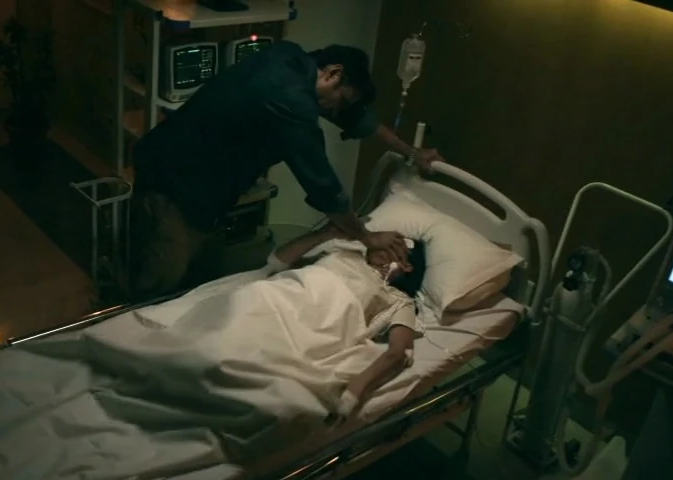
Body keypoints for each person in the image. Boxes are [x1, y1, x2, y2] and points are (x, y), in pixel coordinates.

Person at [129, 40, 444, 298]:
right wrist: (366, 236)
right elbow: (324, 188)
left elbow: (355, 119)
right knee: (161, 275)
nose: (337, 112)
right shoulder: (290, 100)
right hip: (175, 185)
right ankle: (127, 331)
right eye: (342, 100)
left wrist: (410, 152)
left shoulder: (288, 57)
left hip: (189, 175)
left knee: (193, 277)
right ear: (333, 73)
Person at [264, 223, 428, 416]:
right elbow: (276, 262)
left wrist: (355, 390)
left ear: (406, 266)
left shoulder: (398, 300)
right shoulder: (343, 255)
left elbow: (399, 352)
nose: (385, 247)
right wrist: (325, 234)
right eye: (386, 242)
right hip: (278, 299)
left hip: (316, 327)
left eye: (396, 247)